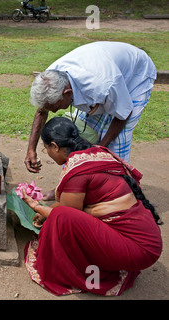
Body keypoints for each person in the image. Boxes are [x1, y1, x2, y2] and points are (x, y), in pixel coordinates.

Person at [21, 117, 162, 296]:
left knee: (59, 219)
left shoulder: (77, 172)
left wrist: (37, 206)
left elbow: (67, 214)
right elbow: (68, 201)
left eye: (46, 148)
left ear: (55, 146)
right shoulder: (94, 153)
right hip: (149, 241)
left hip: (137, 251)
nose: (47, 152)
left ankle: (83, 269)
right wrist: (43, 203)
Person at [25, 41, 156, 176]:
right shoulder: (50, 77)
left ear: (67, 93)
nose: (53, 112)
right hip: (104, 69)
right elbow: (42, 111)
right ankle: (74, 182)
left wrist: (100, 148)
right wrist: (31, 149)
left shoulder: (103, 85)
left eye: (56, 107)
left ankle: (118, 186)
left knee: (116, 142)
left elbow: (125, 112)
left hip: (136, 75)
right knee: (80, 136)